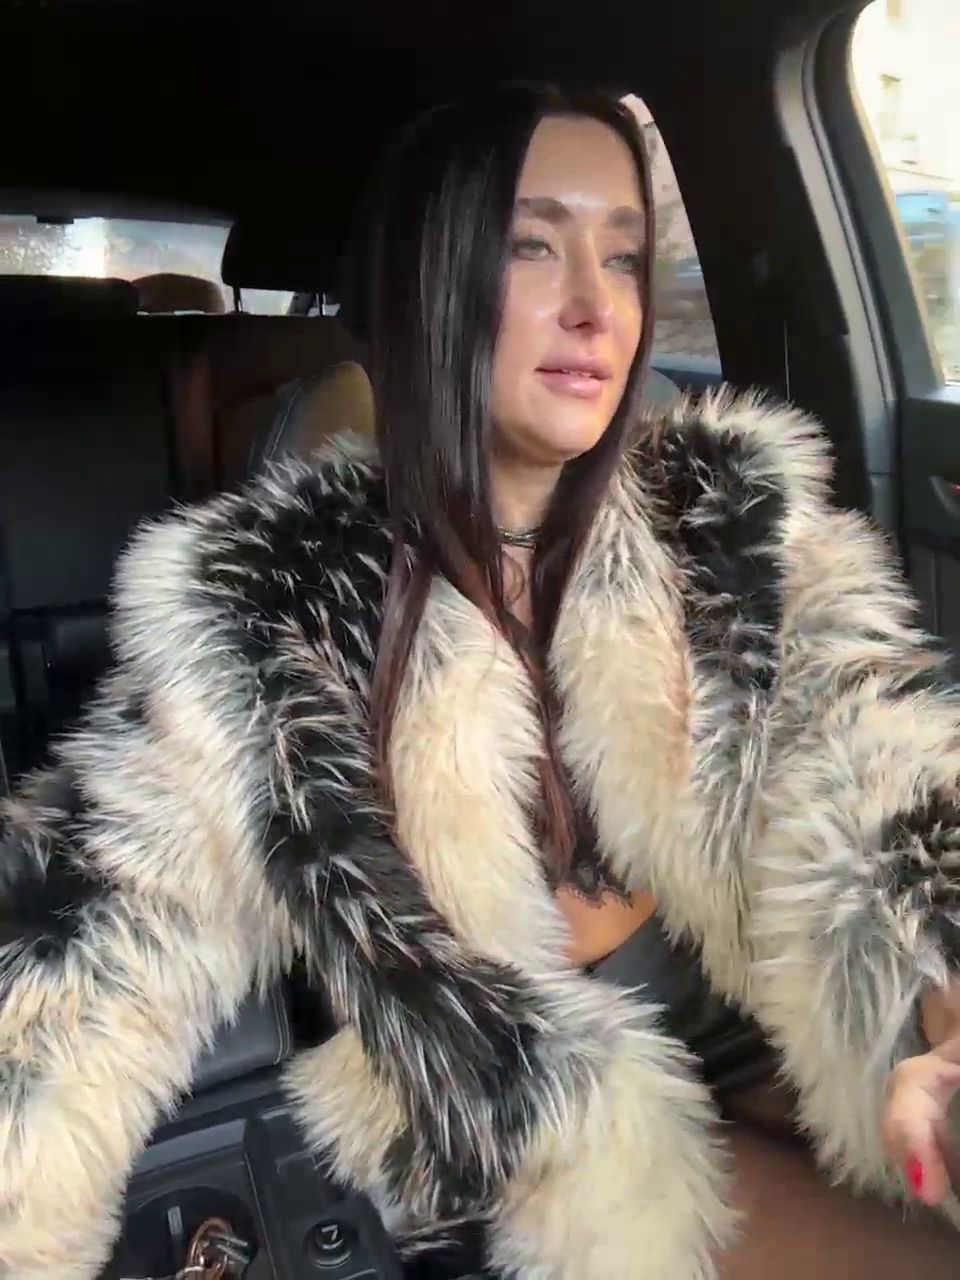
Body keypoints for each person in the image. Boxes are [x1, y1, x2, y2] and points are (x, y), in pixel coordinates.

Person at [1, 85, 960, 1280]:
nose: (595, 303)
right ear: (430, 279)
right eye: (532, 245)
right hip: (547, 1124)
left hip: (776, 1038)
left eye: (624, 255)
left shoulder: (726, 520)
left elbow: (881, 773)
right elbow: (84, 955)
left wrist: (943, 996)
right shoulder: (276, 606)